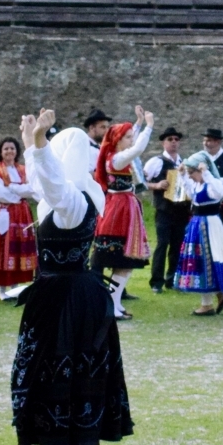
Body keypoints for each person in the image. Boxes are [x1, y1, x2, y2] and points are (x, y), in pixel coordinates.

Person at [10, 111, 135, 445]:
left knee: (52, 375)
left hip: (64, 299)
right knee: (80, 375)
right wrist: (32, 142)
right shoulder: (83, 193)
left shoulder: (74, 201)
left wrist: (41, 143)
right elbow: (41, 183)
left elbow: (51, 182)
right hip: (78, 295)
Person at [91, 108, 154, 318]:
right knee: (122, 261)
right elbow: (136, 149)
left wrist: (137, 123)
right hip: (120, 210)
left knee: (124, 264)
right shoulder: (116, 159)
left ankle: (114, 303)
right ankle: (111, 303)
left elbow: (131, 142)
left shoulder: (114, 155)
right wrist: (149, 127)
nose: (131, 139)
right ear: (118, 139)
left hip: (124, 207)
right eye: (127, 137)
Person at [0, 136, 39, 301]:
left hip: (22, 213)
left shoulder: (23, 169)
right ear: (0, 151)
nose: (9, 151)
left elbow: (32, 188)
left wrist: (13, 187)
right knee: (4, 248)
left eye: (12, 148)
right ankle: (2, 289)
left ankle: (16, 287)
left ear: (17, 151)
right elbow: (0, 193)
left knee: (20, 248)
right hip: (5, 212)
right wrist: (20, 191)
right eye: (6, 148)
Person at [176, 154, 223, 315]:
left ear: (200, 171)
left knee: (210, 259)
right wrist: (182, 174)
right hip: (197, 225)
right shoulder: (198, 185)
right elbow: (188, 190)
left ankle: (215, 296)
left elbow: (220, 191)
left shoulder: (211, 185)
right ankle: (209, 300)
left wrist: (206, 173)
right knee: (201, 262)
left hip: (210, 226)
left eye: (192, 172)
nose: (190, 176)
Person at [145, 127, 191, 293]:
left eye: (176, 139)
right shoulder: (156, 162)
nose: (173, 142)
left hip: (182, 210)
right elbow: (141, 182)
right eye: (170, 139)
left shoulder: (184, 163)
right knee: (162, 244)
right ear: (163, 142)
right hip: (164, 210)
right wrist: (156, 185)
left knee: (178, 246)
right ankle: (157, 281)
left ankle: (173, 279)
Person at [201, 129, 223, 234]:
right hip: (204, 205)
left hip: (222, 206)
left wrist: (212, 180)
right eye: (204, 140)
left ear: (218, 142)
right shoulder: (201, 158)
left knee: (222, 237)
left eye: (208, 141)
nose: (205, 144)